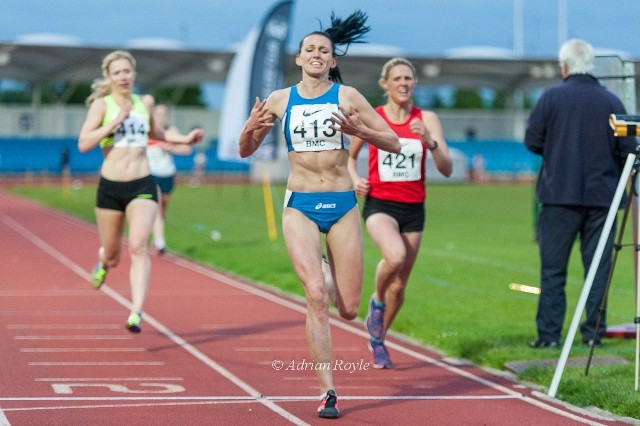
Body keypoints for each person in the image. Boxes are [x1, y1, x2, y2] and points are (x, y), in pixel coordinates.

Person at [238, 10, 400, 419]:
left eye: (323, 50)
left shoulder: (347, 97)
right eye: (309, 49)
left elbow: (394, 142)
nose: (315, 55)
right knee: (314, 295)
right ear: (298, 58)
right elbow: (246, 150)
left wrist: (362, 132)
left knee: (348, 308)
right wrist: (248, 129)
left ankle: (327, 266)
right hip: (301, 207)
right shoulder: (279, 100)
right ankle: (329, 391)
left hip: (342, 205)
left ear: (333, 61)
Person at [78, 50, 203, 333]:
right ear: (108, 78)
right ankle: (103, 261)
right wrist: (113, 122)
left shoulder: (143, 102)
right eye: (117, 73)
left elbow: (155, 133)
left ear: (134, 74)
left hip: (142, 184)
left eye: (127, 71)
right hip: (110, 187)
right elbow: (83, 144)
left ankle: (136, 312)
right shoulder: (101, 105)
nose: (123, 77)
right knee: (113, 255)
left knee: (137, 246)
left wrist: (184, 138)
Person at [524, 39, 637, 349]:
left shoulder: (550, 98)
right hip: (603, 198)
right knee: (598, 269)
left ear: (564, 67)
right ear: (592, 66)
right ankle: (593, 333)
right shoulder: (612, 102)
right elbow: (630, 148)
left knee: (553, 269)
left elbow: (532, 141)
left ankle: (549, 336)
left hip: (559, 194)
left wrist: (558, 148)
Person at [347, 57, 452, 369]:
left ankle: (378, 339)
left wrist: (429, 142)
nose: (404, 84)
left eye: (408, 78)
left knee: (401, 285)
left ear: (414, 83)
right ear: (385, 84)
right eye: (397, 79)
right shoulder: (373, 117)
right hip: (380, 204)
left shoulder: (427, 118)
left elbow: (446, 169)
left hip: (413, 208)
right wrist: (355, 180)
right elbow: (349, 158)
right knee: (394, 257)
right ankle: (376, 303)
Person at [146, 104, 193, 255]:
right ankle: (160, 242)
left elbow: (186, 149)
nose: (160, 117)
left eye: (163, 114)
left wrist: (169, 148)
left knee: (163, 208)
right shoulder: (147, 131)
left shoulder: (171, 131)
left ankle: (156, 234)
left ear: (167, 116)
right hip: (151, 173)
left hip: (168, 174)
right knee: (157, 206)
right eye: (157, 114)